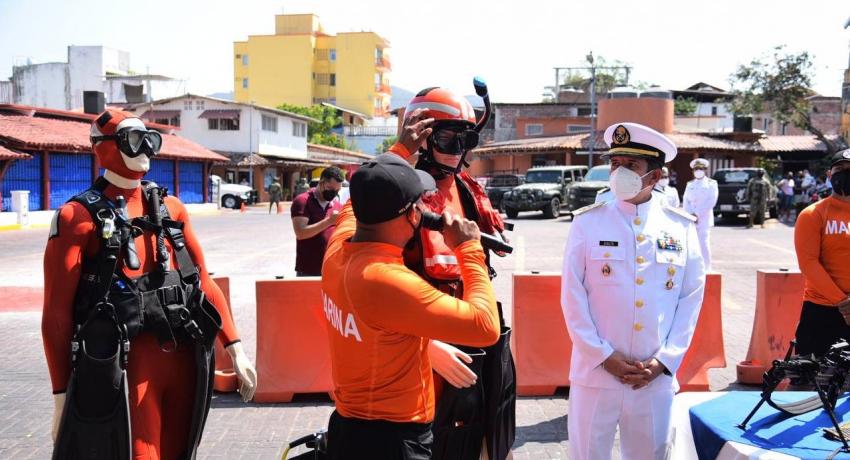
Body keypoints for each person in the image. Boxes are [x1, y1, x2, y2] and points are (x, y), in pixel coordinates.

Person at [43, 109, 256, 459]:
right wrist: (61, 395)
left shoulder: (171, 208)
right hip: (128, 367)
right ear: (104, 148)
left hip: (186, 357)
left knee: (181, 451)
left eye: (150, 140)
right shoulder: (77, 218)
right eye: (133, 139)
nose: (146, 149)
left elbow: (201, 280)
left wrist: (235, 347)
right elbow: (56, 315)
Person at [320, 153, 501, 459]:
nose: (422, 209)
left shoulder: (337, 252)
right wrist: (469, 249)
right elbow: (485, 327)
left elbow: (351, 208)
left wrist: (402, 148)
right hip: (392, 441)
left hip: (348, 429)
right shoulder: (388, 281)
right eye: (419, 204)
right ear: (411, 216)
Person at [561, 122, 706, 460]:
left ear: (654, 177)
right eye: (615, 164)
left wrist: (665, 361)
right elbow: (572, 293)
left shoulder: (680, 226)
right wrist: (602, 356)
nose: (619, 173)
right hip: (595, 372)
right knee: (587, 455)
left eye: (631, 166)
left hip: (652, 377)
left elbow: (691, 296)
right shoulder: (588, 221)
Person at [394, 85, 516, 460]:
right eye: (449, 138)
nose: (459, 149)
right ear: (424, 138)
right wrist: (423, 348)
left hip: (481, 341)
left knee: (491, 444)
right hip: (427, 348)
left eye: (467, 139)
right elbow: (373, 285)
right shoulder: (399, 194)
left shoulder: (469, 189)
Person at [794, 149, 850, 357]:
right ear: (829, 175)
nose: (846, 173)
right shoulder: (813, 214)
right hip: (821, 310)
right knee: (807, 383)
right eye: (840, 169)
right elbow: (808, 263)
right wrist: (843, 303)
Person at [290, 167, 344, 276]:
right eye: (330, 188)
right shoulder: (303, 201)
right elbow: (301, 233)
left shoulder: (337, 205)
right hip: (309, 270)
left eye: (337, 190)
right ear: (321, 182)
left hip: (332, 269)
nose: (333, 193)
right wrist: (329, 221)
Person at [683, 158, 718, 271]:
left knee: (703, 243)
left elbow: (711, 201)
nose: (698, 171)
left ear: (705, 170)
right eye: (696, 169)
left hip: (704, 219)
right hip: (691, 218)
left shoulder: (711, 184)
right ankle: (693, 268)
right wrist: (689, 214)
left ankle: (707, 268)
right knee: (691, 243)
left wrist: (697, 214)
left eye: (701, 169)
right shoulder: (690, 184)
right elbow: (686, 201)